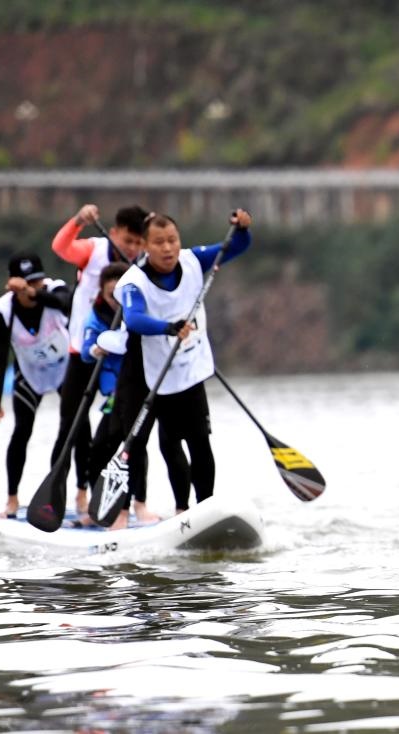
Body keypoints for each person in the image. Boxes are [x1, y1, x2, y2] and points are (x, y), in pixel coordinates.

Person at [108, 209, 253, 529]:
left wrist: (243, 228)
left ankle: (202, 511)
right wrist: (168, 327)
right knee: (135, 444)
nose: (168, 248)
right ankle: (121, 515)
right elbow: (134, 319)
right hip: (144, 372)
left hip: (186, 368)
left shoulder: (192, 260)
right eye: (159, 242)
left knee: (198, 442)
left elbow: (236, 246)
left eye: (172, 240)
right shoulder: (133, 282)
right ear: (145, 246)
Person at [51, 203, 148, 514]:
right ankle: (69, 495)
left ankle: (133, 503)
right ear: (114, 232)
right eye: (128, 241)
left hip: (123, 357)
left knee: (131, 429)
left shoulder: (143, 263)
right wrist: (78, 220)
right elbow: (61, 247)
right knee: (71, 426)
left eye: (139, 242)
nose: (133, 248)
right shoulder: (94, 250)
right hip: (82, 351)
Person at [0, 254, 72, 517]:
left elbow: (65, 302)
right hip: (30, 373)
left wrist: (33, 292)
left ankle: (81, 497)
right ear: (12, 284)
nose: (34, 287)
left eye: (37, 281)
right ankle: (12, 500)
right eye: (27, 283)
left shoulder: (56, 290)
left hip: (66, 369)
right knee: (22, 431)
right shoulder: (2, 312)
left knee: (77, 430)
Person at [80, 262, 162, 526]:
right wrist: (96, 349)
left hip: (141, 388)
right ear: (102, 292)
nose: (116, 302)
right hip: (115, 395)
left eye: (119, 295)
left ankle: (140, 504)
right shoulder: (96, 317)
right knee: (99, 448)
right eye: (110, 295)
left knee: (136, 443)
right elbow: (85, 351)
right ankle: (99, 506)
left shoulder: (137, 309)